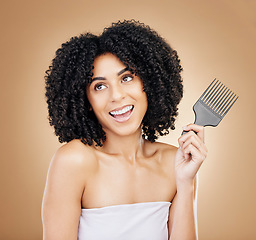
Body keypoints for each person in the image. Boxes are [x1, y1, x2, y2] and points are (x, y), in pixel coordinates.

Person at [41, 19, 208, 240]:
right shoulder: (74, 161)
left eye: (126, 78)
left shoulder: (174, 162)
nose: (117, 96)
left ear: (148, 83)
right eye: (99, 86)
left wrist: (185, 183)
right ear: (86, 100)